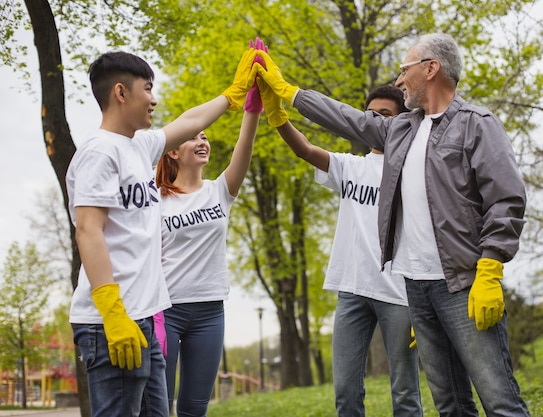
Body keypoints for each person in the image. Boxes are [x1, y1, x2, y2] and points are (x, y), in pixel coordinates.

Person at [254, 33, 530, 417]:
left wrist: (490, 266)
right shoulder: (401, 130)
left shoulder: (476, 124)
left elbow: (507, 198)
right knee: (450, 403)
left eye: (405, 70)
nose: (399, 81)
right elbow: (345, 118)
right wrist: (290, 93)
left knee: (499, 399)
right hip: (416, 289)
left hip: (463, 285)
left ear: (431, 68)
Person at [66, 45, 258, 417]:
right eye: (148, 89)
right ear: (121, 93)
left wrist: (233, 95)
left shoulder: (138, 146)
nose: (154, 99)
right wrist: (113, 313)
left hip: (145, 316)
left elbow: (189, 121)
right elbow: (88, 230)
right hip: (113, 323)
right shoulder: (99, 152)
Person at [266, 84, 421, 417]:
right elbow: (306, 150)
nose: (375, 120)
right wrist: (278, 118)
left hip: (399, 294)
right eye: (370, 114)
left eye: (385, 115)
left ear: (400, 122)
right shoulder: (350, 166)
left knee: (405, 393)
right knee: (346, 392)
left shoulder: (413, 170)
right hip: (351, 291)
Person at [156, 87, 261, 415]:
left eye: (205, 137)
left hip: (210, 312)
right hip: (166, 310)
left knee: (194, 406)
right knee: (158, 403)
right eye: (193, 138)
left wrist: (252, 109)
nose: (203, 142)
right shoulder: (155, 198)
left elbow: (244, 149)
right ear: (172, 151)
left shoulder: (220, 191)